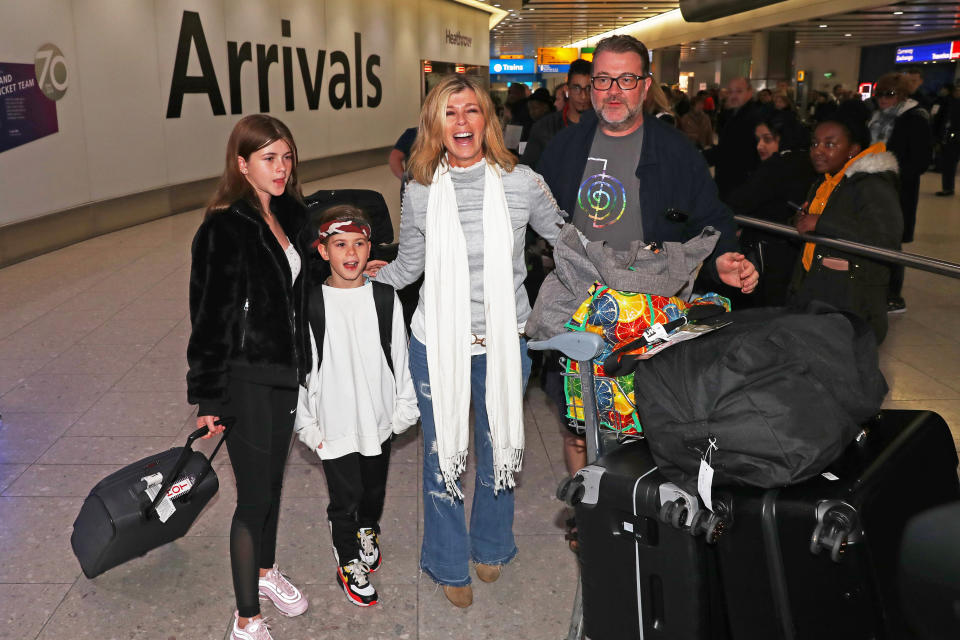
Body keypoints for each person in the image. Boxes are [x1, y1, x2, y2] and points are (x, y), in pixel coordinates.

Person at [366, 75, 565, 608]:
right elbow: (410, 265)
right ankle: (447, 559)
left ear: (487, 121)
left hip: (506, 341)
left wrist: (615, 275)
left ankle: (493, 545)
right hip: (438, 343)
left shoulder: (523, 181)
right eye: (449, 112)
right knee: (442, 453)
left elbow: (565, 243)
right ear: (435, 124)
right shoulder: (421, 186)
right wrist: (358, 278)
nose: (461, 122)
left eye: (471, 111)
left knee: (499, 446)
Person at [538, 34, 758, 489]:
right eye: (603, 79)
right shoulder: (563, 149)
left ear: (645, 85)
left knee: (644, 426)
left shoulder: (676, 152)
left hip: (649, 315)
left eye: (626, 79)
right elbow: (533, 220)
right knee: (578, 427)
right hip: (579, 307)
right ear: (588, 85)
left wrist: (723, 260)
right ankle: (589, 515)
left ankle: (636, 514)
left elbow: (710, 217)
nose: (613, 90)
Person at [187, 114, 311, 640]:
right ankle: (245, 619)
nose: (280, 168)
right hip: (245, 379)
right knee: (253, 497)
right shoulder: (224, 226)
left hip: (284, 374)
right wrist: (208, 395)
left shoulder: (287, 213)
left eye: (286, 157)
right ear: (242, 164)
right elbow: (209, 316)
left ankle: (264, 572)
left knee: (273, 485)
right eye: (268, 158)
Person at [294, 205, 419, 608]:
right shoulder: (311, 304)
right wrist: (308, 426)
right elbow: (301, 371)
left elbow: (401, 356)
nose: (351, 253)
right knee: (343, 497)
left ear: (370, 248)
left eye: (359, 244)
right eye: (340, 244)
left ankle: (368, 528)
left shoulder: (385, 298)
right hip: (333, 425)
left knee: (372, 489)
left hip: (378, 421)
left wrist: (403, 411)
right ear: (323, 250)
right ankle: (347, 556)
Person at [790, 117, 902, 343]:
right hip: (820, 296)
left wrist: (820, 223)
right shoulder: (827, 181)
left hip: (851, 304)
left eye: (830, 144)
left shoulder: (872, 185)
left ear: (853, 150)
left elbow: (886, 240)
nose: (818, 151)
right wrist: (802, 219)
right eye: (814, 143)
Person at [725, 115, 816, 307]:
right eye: (758, 139)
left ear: (784, 138)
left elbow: (740, 201)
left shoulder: (778, 165)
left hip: (769, 250)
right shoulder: (809, 161)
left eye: (767, 139)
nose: (760, 146)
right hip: (795, 251)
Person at [868, 72, 933, 314]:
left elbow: (921, 160)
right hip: (874, 184)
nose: (883, 99)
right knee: (874, 236)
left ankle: (893, 295)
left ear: (902, 95)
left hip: (898, 188)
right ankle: (874, 288)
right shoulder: (876, 117)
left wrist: (891, 171)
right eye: (880, 94)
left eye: (889, 94)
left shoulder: (915, 117)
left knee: (892, 239)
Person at [521, 59, 593, 169]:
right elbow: (528, 170)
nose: (583, 96)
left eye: (588, 88)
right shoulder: (544, 127)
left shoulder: (603, 127)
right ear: (567, 90)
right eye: (576, 88)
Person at [705, 76, 764, 199]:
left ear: (750, 92)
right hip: (731, 179)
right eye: (730, 92)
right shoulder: (733, 113)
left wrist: (699, 157)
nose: (733, 96)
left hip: (740, 183)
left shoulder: (752, 117)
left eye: (739, 91)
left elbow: (731, 150)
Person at [934, 83, 960, 196]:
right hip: (951, 137)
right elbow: (940, 120)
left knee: (950, 163)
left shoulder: (949, 103)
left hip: (953, 136)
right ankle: (948, 188)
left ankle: (948, 188)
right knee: (949, 163)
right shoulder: (947, 102)